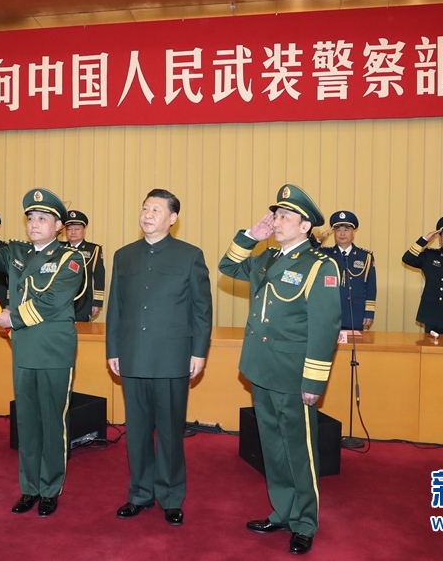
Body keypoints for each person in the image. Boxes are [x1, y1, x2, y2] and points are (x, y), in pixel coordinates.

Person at [219, 183, 341, 556]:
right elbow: (227, 267)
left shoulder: (320, 266)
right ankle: (283, 512)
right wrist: (250, 237)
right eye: (276, 215)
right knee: (272, 447)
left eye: (285, 216)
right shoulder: (267, 258)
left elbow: (325, 327)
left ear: (305, 226)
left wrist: (314, 380)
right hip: (261, 368)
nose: (277, 221)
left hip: (292, 373)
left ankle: (304, 522)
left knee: (299, 451)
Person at [0, 188, 85, 518]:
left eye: (43, 218)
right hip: (24, 350)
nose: (34, 223)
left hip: (53, 352)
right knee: (27, 422)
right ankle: (30, 488)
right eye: (31, 218)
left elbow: (54, 301)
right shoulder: (17, 252)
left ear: (58, 227)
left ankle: (50, 489)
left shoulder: (70, 259)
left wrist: (15, 317)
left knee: (52, 422)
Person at [106, 188, 212, 527]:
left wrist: (199, 351)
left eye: (156, 209)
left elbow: (201, 309)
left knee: (169, 431)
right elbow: (115, 307)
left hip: (172, 357)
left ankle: (170, 496)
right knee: (136, 431)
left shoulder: (190, 255)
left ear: (172, 218)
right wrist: (113, 349)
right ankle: (139, 493)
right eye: (145, 208)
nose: (147, 214)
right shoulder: (124, 256)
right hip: (133, 355)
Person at [310, 210, 376, 330]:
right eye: (338, 230)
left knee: (355, 342)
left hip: (355, 313)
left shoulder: (365, 256)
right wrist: (320, 239)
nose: (342, 234)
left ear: (353, 232)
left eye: (346, 230)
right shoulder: (324, 254)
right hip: (329, 313)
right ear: (333, 233)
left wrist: (369, 312)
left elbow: (370, 286)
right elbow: (307, 253)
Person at [63, 210, 105, 322]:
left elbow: (99, 277)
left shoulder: (94, 250)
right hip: (61, 301)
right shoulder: (59, 249)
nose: (73, 232)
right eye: (69, 229)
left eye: (77, 229)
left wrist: (97, 303)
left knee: (83, 330)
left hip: (84, 301)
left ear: (84, 230)